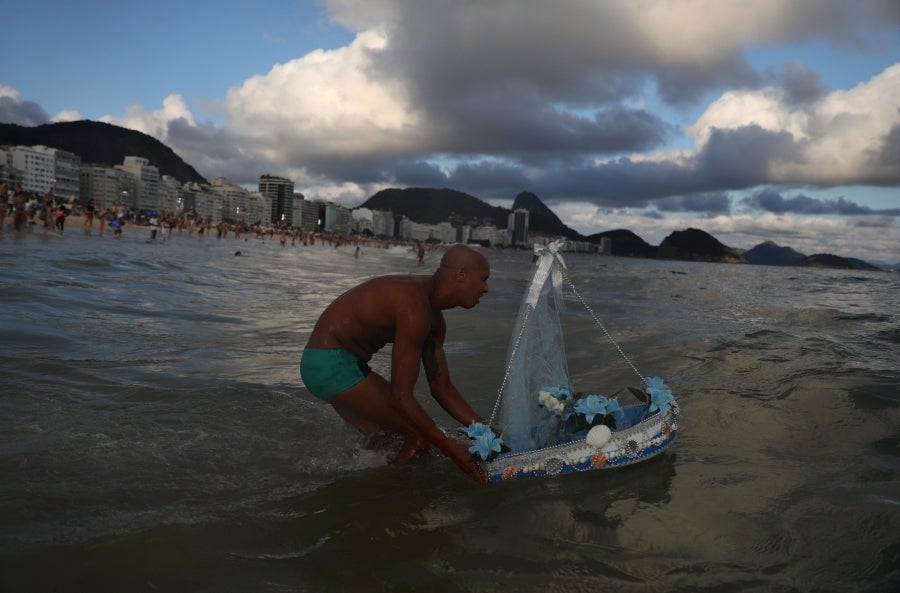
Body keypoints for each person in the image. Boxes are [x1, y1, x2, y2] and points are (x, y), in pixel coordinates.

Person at [300, 244, 491, 482]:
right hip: (332, 364)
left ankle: (358, 491)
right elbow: (401, 398)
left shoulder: (434, 322)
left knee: (383, 439)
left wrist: (486, 432)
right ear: (461, 275)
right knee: (419, 438)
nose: (486, 288)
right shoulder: (415, 306)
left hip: (325, 364)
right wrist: (453, 451)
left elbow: (442, 389)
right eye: (483, 279)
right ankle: (392, 500)